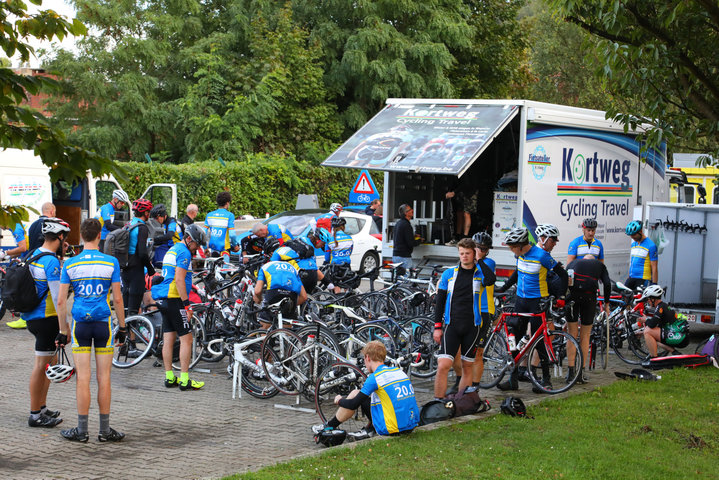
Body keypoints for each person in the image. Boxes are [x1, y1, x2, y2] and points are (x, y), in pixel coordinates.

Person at [55, 218, 127, 442]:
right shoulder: (111, 262)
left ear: (82, 236)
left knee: (83, 378)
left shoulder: (70, 264)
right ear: (99, 236)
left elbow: (60, 301)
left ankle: (81, 430)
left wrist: (62, 330)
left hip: (79, 325)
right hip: (103, 323)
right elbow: (117, 298)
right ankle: (105, 431)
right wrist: (123, 328)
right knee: (104, 378)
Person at [497, 227, 567, 393]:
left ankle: (546, 380)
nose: (511, 250)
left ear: (521, 245)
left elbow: (562, 275)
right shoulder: (519, 254)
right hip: (521, 300)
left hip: (537, 302)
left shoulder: (542, 256)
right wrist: (503, 288)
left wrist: (560, 296)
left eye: (512, 247)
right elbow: (517, 273)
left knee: (539, 340)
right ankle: (512, 379)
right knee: (516, 338)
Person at [312, 340, 419, 440]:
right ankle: (368, 429)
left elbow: (353, 404)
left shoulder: (375, 377)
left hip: (393, 429)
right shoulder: (398, 371)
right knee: (363, 394)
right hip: (410, 425)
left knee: (356, 395)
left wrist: (339, 400)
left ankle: (328, 427)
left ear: (367, 358)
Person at [433, 238, 495, 399]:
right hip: (452, 325)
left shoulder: (480, 274)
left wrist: (479, 261)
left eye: (468, 253)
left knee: (468, 366)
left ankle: (461, 402)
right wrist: (437, 326)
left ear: (474, 253)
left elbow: (491, 280)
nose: (464, 256)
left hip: (472, 326)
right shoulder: (449, 274)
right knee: (443, 365)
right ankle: (437, 402)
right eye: (461, 253)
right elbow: (439, 302)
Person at [24, 217, 70, 428]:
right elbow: (58, 299)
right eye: (65, 239)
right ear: (59, 237)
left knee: (48, 364)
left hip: (35, 316)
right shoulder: (50, 261)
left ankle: (42, 407)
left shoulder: (34, 254)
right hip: (46, 317)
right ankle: (35, 414)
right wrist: (64, 327)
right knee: (41, 366)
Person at [151, 224, 208, 391]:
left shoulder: (173, 249)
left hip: (163, 298)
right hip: (174, 298)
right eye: (196, 244)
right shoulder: (184, 252)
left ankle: (169, 377)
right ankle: (184, 379)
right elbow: (179, 279)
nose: (197, 248)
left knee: (168, 339)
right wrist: (187, 304)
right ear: (189, 239)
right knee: (187, 339)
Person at [566, 254, 612, 383]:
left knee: (572, 334)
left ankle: (570, 372)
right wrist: (607, 304)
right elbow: (607, 284)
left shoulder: (573, 263)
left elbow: (564, 280)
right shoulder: (600, 265)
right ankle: (580, 372)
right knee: (585, 335)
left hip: (572, 298)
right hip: (589, 298)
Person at [253, 257, 307, 330]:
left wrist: (259, 300)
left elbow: (257, 291)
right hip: (291, 295)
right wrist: (289, 304)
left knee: (265, 325)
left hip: (273, 293)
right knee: (286, 327)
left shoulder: (265, 267)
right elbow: (304, 297)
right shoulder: (293, 268)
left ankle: (265, 339)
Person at [122, 198, 155, 317]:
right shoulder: (142, 227)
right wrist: (151, 270)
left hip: (125, 268)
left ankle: (123, 333)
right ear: (146, 213)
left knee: (125, 309)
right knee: (134, 311)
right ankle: (132, 336)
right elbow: (142, 253)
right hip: (136, 270)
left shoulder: (128, 224)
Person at [270, 229, 326, 294]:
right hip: (313, 275)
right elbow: (314, 268)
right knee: (306, 299)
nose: (323, 246)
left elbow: (272, 269)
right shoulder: (307, 248)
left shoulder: (277, 252)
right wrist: (328, 283)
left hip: (302, 275)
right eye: (323, 244)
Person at [639, 285, 688, 357]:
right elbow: (656, 327)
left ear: (653, 299)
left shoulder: (660, 308)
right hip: (680, 335)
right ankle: (674, 352)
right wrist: (641, 332)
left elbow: (652, 324)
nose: (647, 301)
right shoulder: (662, 305)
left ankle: (654, 359)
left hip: (680, 337)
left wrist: (645, 320)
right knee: (649, 334)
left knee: (647, 331)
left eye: (648, 299)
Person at [2, 220, 30, 329]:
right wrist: (9, 256)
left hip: (30, 260)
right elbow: (24, 249)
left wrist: (6, 253)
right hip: (28, 256)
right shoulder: (17, 226)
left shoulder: (16, 228)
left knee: (23, 289)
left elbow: (22, 248)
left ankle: (24, 319)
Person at [625, 220, 658, 290]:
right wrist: (629, 277)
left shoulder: (651, 245)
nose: (632, 237)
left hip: (643, 279)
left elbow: (654, 267)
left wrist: (654, 285)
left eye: (634, 235)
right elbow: (632, 263)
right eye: (630, 235)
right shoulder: (633, 244)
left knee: (638, 300)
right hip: (631, 278)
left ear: (640, 232)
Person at [325, 217, 354, 293]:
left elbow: (327, 258)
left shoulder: (330, 240)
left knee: (336, 286)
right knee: (347, 287)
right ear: (343, 227)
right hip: (346, 265)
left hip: (335, 266)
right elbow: (350, 252)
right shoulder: (349, 238)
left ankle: (337, 302)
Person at [445, 176, 478, 243]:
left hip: (470, 192)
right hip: (460, 192)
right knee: (459, 213)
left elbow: (466, 183)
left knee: (467, 213)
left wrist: (454, 192)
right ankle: (457, 236)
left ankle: (465, 237)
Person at [392, 204, 421, 276]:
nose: (412, 211)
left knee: (398, 279)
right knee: (406, 280)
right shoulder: (406, 225)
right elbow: (411, 243)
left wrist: (412, 236)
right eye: (410, 210)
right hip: (404, 257)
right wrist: (420, 240)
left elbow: (400, 237)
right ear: (406, 213)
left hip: (396, 255)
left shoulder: (398, 223)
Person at [205, 191, 235, 255]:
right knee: (225, 265)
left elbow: (204, 233)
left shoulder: (209, 215)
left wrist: (205, 247)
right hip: (224, 249)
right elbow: (232, 235)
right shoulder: (229, 215)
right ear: (227, 203)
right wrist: (235, 245)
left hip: (212, 248)